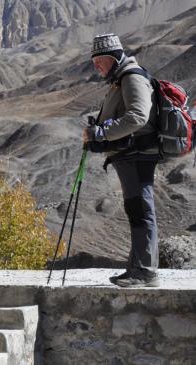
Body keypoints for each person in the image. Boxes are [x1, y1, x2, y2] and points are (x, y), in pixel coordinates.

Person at [83, 34, 160, 287]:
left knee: (141, 211)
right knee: (137, 211)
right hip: (129, 156)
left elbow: (137, 116)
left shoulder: (132, 77)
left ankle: (145, 271)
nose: (96, 66)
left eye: (99, 60)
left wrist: (102, 132)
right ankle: (137, 269)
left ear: (114, 57)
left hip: (138, 155)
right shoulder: (121, 78)